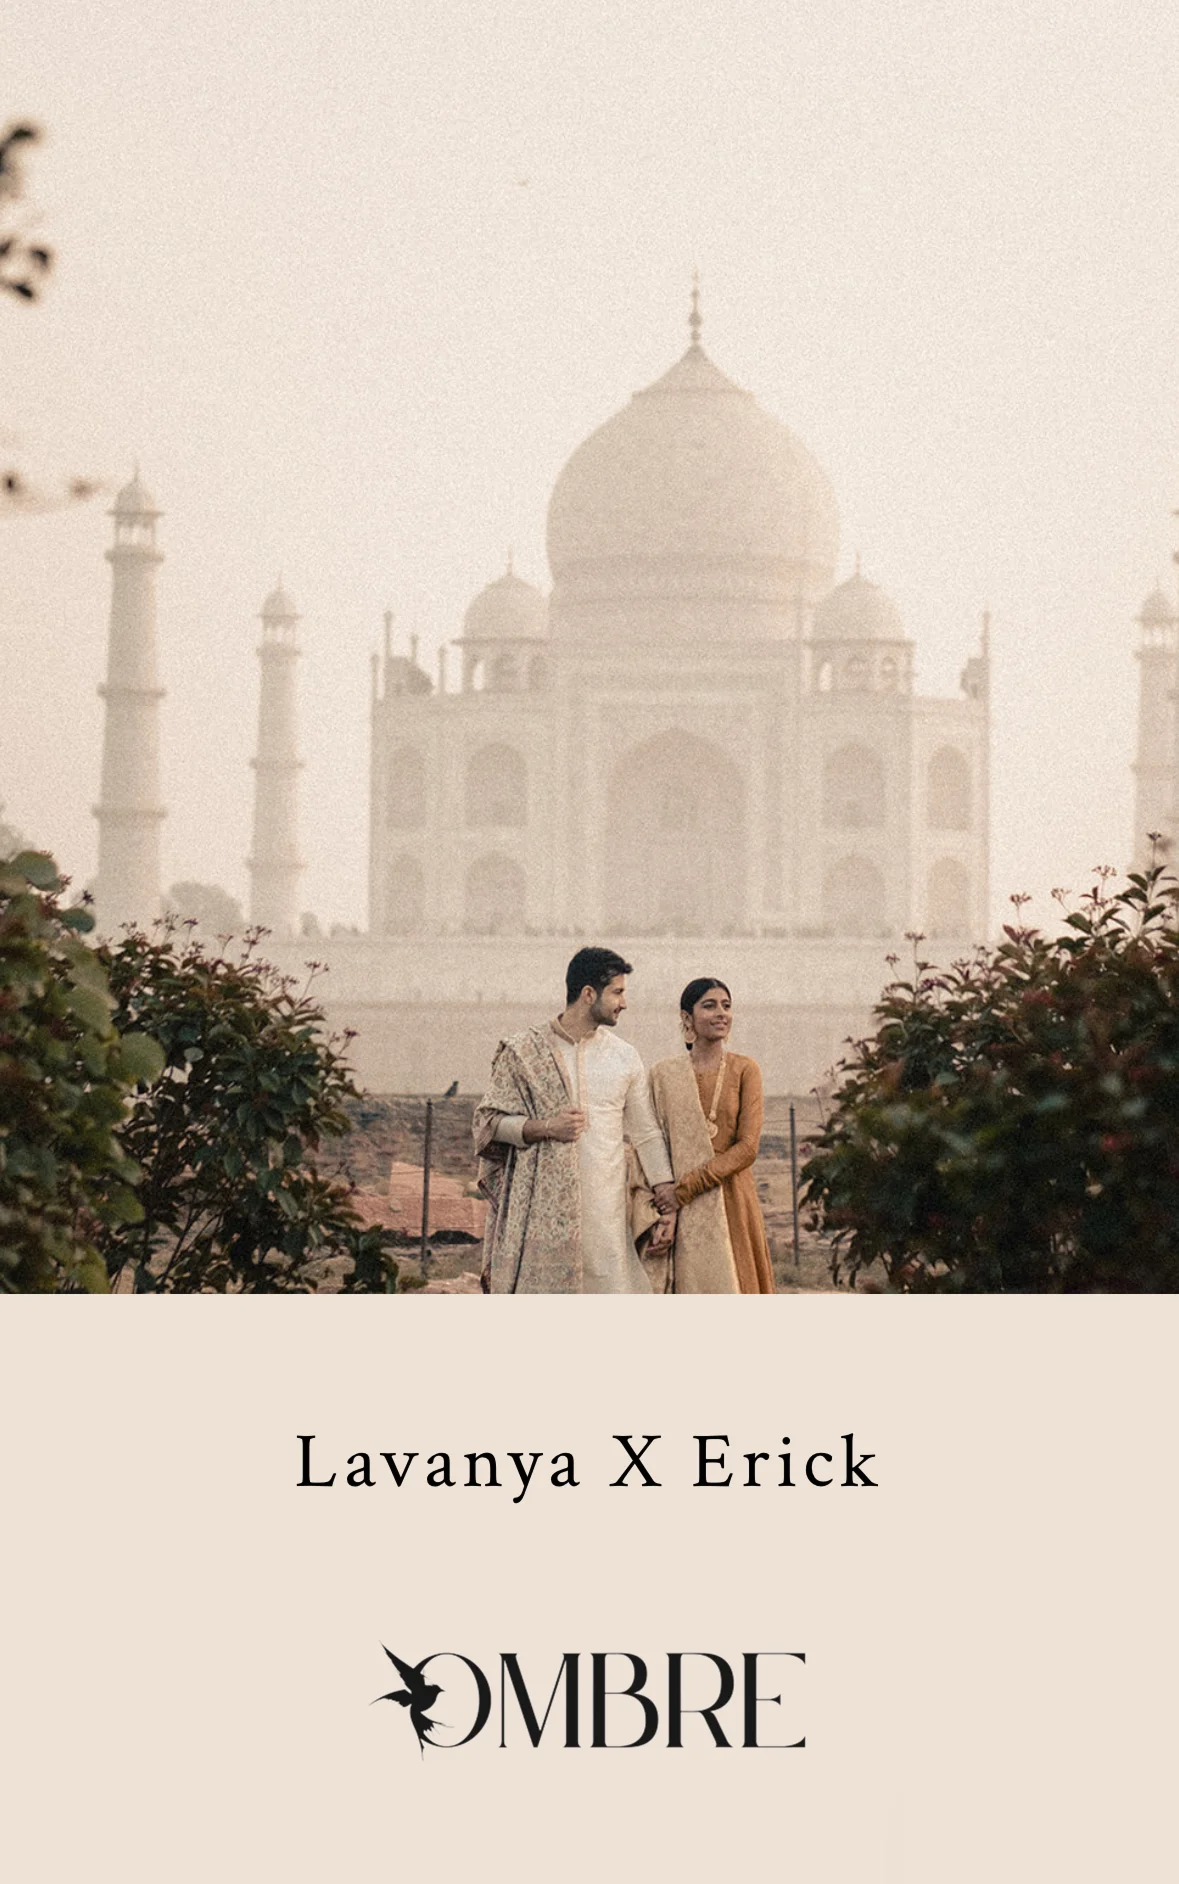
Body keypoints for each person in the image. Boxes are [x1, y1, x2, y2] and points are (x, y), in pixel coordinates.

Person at [473, 947, 677, 1293]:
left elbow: (645, 1134)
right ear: (588, 994)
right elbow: (487, 1126)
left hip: (606, 1213)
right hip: (541, 1215)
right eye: (617, 992)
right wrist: (547, 1127)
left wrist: (666, 1196)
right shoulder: (524, 1051)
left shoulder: (624, 1056)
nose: (624, 1003)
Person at [646, 977, 775, 1294]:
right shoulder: (664, 1074)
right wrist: (667, 1207)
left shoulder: (745, 1069)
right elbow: (654, 1142)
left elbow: (747, 1149)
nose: (721, 1014)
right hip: (680, 1207)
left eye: (727, 1006)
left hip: (731, 1197)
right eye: (709, 1005)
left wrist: (686, 1188)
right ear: (686, 1018)